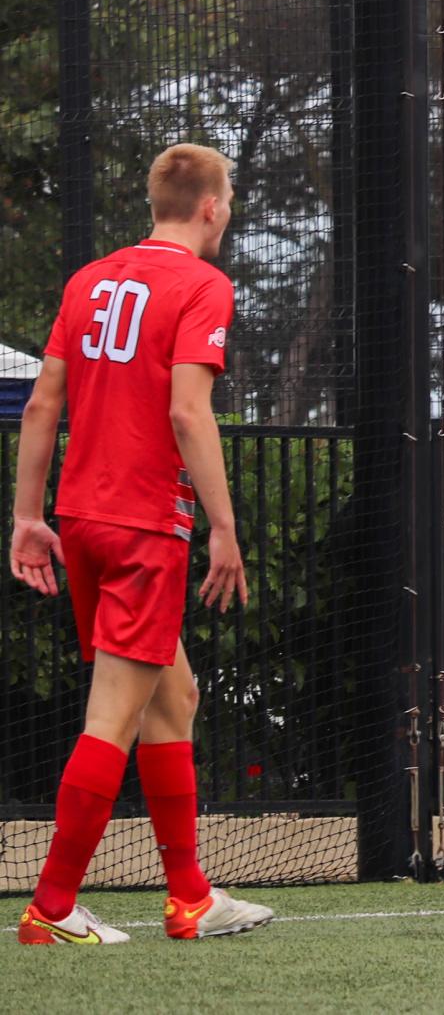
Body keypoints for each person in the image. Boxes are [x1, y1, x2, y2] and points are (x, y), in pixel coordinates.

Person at [11, 143, 275, 944]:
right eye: (228, 199)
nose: (228, 210)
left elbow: (40, 405)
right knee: (112, 718)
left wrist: (28, 517)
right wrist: (225, 528)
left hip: (85, 520)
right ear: (211, 206)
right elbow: (188, 413)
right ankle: (51, 909)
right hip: (142, 526)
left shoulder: (89, 280)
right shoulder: (203, 284)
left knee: (174, 699)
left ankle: (190, 895)